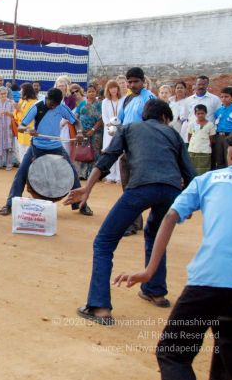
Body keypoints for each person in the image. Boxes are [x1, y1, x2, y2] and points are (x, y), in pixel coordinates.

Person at [114, 125, 232, 380]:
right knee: (230, 347)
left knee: (173, 353)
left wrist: (150, 271)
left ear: (231, 154)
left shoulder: (208, 180)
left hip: (209, 281)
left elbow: (171, 216)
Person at [67, 99, 195, 326]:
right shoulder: (172, 134)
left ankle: (100, 307)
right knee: (156, 236)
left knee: (104, 242)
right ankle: (155, 292)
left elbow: (107, 158)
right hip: (171, 191)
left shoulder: (129, 128)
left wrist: (87, 188)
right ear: (165, 118)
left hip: (140, 187)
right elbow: (189, 172)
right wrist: (188, 203)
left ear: (144, 115)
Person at [0, 88, 92, 216]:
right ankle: (10, 204)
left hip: (56, 147)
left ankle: (81, 205)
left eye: (55, 105)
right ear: (47, 98)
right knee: (21, 173)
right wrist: (28, 129)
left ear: (59, 103)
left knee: (72, 173)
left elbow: (77, 122)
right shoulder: (37, 107)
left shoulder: (61, 108)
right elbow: (21, 126)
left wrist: (80, 132)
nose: (52, 106)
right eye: (50, 103)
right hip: (37, 146)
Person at [118, 67, 156, 237]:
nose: (132, 85)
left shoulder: (150, 99)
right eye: (130, 82)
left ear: (143, 81)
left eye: (136, 81)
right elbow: (120, 120)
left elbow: (154, 125)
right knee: (127, 185)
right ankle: (136, 221)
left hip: (141, 148)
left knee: (134, 186)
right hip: (126, 146)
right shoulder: (127, 100)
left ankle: (132, 223)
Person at [73, 85, 103, 180]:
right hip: (82, 132)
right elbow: (76, 117)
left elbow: (101, 119)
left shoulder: (100, 104)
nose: (91, 93)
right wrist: (79, 131)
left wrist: (93, 130)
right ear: (86, 93)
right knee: (82, 151)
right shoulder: (82, 103)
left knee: (95, 152)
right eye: (89, 91)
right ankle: (82, 174)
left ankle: (94, 176)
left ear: (96, 92)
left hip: (96, 132)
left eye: (93, 91)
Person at [213, 86, 232, 169]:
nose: (223, 99)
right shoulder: (219, 111)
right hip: (219, 136)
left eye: (226, 96)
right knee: (219, 159)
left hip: (230, 137)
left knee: (229, 159)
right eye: (222, 97)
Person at [101, 80, 125, 183]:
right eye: (111, 88)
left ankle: (120, 177)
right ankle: (110, 176)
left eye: (115, 87)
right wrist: (109, 124)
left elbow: (124, 114)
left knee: (119, 152)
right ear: (108, 90)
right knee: (110, 152)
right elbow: (104, 116)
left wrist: (120, 125)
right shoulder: (105, 101)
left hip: (120, 129)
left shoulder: (123, 100)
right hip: (109, 130)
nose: (113, 90)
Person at [187, 104, 215, 175]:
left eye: (202, 113)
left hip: (205, 150)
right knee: (192, 168)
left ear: (206, 113)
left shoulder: (210, 125)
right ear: (195, 114)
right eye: (198, 113)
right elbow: (189, 136)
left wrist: (207, 145)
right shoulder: (192, 124)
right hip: (193, 150)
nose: (200, 115)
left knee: (204, 169)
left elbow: (211, 138)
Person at [0, 87, 15, 170]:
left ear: (7, 94)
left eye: (4, 93)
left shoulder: (11, 103)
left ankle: (9, 164)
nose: (3, 95)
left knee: (9, 146)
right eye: (1, 94)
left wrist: (8, 113)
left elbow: (15, 115)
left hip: (8, 128)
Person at [14, 83, 38, 164]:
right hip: (21, 133)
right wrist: (18, 110)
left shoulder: (34, 103)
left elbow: (28, 118)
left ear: (26, 91)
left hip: (29, 133)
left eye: (22, 90)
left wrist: (19, 110)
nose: (20, 92)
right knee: (22, 157)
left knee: (29, 157)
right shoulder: (21, 101)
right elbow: (15, 116)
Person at [169, 81, 190, 147]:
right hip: (170, 125)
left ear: (185, 89)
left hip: (182, 126)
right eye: (177, 88)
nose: (179, 89)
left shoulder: (188, 100)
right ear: (175, 90)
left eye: (181, 88)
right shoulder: (170, 99)